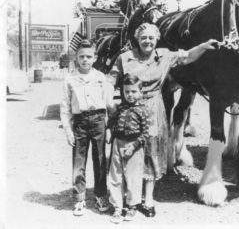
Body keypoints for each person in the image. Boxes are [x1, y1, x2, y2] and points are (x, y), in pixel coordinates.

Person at [107, 23, 217, 217]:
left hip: (154, 111)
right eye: (143, 38)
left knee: (151, 154)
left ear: (157, 39)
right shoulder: (125, 58)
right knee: (127, 152)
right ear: (137, 39)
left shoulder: (164, 55)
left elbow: (188, 56)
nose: (147, 41)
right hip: (129, 111)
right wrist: (110, 103)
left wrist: (204, 46)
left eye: (151, 38)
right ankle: (127, 197)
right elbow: (110, 80)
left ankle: (148, 199)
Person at [60, 39, 115, 216]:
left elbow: (107, 104)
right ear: (76, 57)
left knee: (100, 161)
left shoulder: (100, 77)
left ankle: (100, 196)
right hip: (80, 122)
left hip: (99, 119)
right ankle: (79, 199)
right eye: (82, 56)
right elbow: (65, 107)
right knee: (79, 161)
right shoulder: (69, 79)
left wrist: (108, 128)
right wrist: (68, 131)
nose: (85, 60)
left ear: (95, 58)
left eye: (89, 56)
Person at [107, 74, 150, 224]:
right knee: (115, 175)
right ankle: (117, 207)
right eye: (127, 92)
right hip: (117, 144)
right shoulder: (121, 107)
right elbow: (113, 122)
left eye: (133, 92)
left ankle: (132, 206)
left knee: (133, 177)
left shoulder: (142, 110)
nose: (130, 95)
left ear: (140, 92)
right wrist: (109, 133)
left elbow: (145, 133)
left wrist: (133, 146)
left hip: (134, 146)